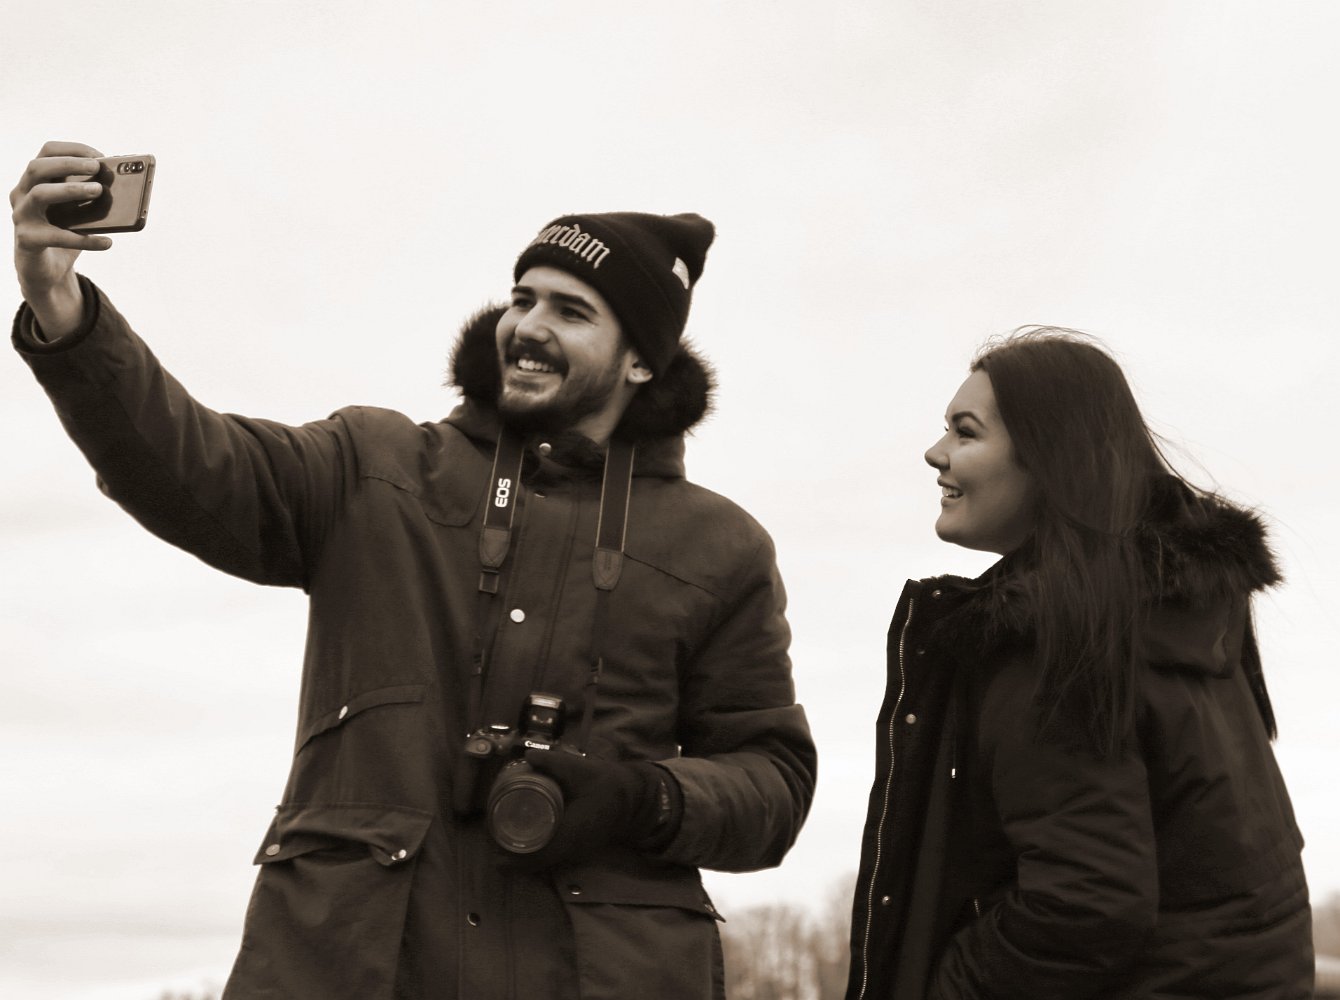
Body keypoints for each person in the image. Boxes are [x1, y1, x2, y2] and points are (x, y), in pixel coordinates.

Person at [10, 141, 817, 1000]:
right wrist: (63, 309)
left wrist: (640, 798)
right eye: (522, 297)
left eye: (572, 310)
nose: (528, 325)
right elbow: (187, 461)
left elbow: (773, 783)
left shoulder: (722, 547)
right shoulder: (374, 466)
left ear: (641, 361)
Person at [846, 330, 1313, 999]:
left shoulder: (1058, 637)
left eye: (965, 432)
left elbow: (1082, 905)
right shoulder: (1172, 617)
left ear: (1049, 457)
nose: (935, 452)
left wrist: (947, 988)